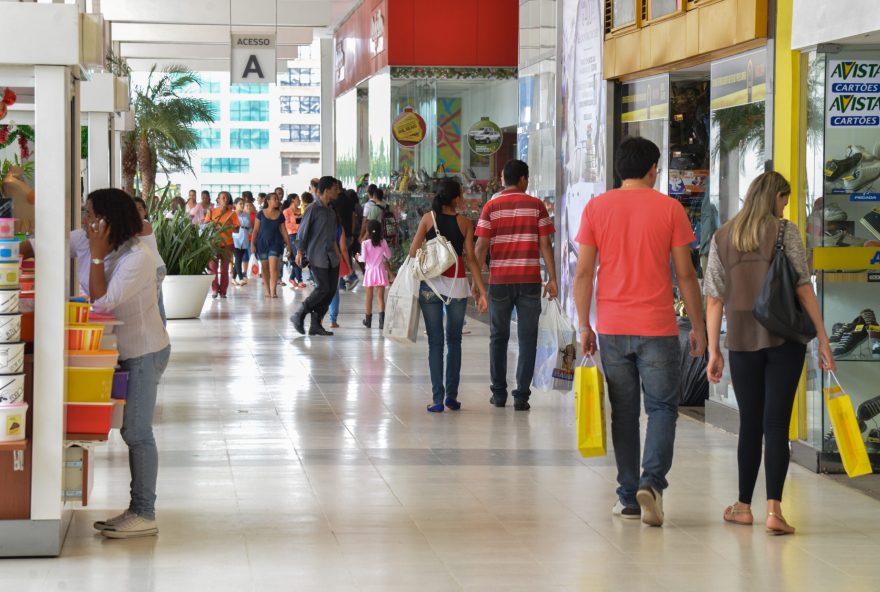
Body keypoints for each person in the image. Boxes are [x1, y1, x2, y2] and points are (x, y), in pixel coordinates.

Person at [573, 137, 706, 527]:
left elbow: (583, 273)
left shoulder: (597, 208)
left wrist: (585, 324)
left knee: (625, 415)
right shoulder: (670, 209)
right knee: (663, 409)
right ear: (653, 169)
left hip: (613, 327)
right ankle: (652, 483)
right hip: (659, 328)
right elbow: (685, 274)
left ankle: (629, 497)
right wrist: (697, 326)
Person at [704, 171, 836, 536]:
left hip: (742, 341)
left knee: (751, 422)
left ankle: (743, 506)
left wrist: (714, 350)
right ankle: (775, 510)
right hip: (785, 339)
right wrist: (823, 338)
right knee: (776, 424)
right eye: (784, 199)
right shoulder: (785, 231)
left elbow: (714, 297)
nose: (785, 207)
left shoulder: (722, 236)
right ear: (774, 197)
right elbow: (803, 287)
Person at [81, 189, 170, 538]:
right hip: (126, 352)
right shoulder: (110, 246)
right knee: (129, 429)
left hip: (145, 352)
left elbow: (102, 300)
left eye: (90, 214)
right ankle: (137, 508)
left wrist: (97, 256)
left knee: (136, 432)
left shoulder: (138, 256)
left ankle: (144, 513)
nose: (85, 221)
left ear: (107, 220)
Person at [474, 159, 558, 412]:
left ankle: (498, 394)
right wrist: (553, 279)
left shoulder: (491, 207)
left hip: (499, 282)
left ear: (503, 179)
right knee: (527, 339)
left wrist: (477, 284)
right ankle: (522, 395)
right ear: (523, 179)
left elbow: (480, 247)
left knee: (498, 337)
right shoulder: (536, 206)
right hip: (529, 281)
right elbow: (545, 245)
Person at [411, 178, 488, 412]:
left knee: (435, 342)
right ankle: (451, 397)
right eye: (462, 194)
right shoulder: (464, 222)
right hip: (457, 286)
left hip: (430, 287)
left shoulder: (427, 219)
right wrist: (481, 290)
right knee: (454, 341)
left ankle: (437, 399)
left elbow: (414, 251)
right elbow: (471, 258)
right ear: (455, 198)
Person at [291, 177, 341, 336]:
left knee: (331, 290)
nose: (337, 191)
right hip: (317, 256)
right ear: (326, 190)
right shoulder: (313, 209)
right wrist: (299, 252)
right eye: (335, 188)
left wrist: (339, 256)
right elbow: (302, 232)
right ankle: (299, 313)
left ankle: (316, 323)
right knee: (323, 288)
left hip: (332, 258)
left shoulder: (331, 211)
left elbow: (332, 237)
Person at [133, 197, 167, 325]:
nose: (136, 212)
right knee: (158, 303)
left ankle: (159, 333)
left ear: (145, 211)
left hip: (155, 268)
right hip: (153, 268)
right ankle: (162, 332)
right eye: (132, 209)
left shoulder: (143, 224)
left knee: (153, 304)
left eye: (139, 209)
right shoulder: (137, 224)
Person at [251, 192, 292, 298]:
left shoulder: (280, 214)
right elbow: (255, 230)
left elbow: (284, 231)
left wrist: (289, 246)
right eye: (275, 199)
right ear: (268, 201)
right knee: (264, 268)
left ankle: (273, 291)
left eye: (277, 199)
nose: (277, 201)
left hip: (276, 243)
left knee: (273, 267)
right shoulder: (260, 213)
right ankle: (267, 290)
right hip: (262, 243)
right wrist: (252, 244)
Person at [204, 191, 240, 298]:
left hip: (227, 244)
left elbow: (237, 230)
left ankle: (223, 291)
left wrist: (226, 228)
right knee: (212, 269)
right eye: (222, 198)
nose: (224, 199)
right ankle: (214, 289)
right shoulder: (211, 211)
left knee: (224, 270)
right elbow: (205, 226)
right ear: (218, 200)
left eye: (226, 198)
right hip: (213, 244)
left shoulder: (232, 213)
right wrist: (213, 226)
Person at [359, 220, 392, 329]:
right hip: (380, 271)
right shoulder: (383, 242)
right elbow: (388, 256)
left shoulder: (365, 243)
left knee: (369, 297)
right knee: (380, 297)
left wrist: (356, 256)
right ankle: (382, 322)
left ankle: (368, 321)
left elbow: (363, 259)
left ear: (368, 231)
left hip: (369, 272)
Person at [283, 194, 305, 288]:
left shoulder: (301, 210)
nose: (299, 200)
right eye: (298, 199)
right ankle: (299, 280)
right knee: (298, 256)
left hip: (302, 235)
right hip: (292, 236)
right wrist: (300, 227)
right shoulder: (286, 211)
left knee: (301, 256)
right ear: (292, 200)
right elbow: (287, 225)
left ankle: (292, 277)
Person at [232, 197, 251, 286]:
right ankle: (240, 278)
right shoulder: (232, 214)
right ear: (235, 205)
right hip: (235, 238)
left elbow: (249, 226)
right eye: (240, 204)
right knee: (238, 258)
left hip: (245, 237)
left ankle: (233, 278)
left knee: (238, 259)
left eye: (243, 204)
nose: (242, 205)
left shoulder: (246, 215)